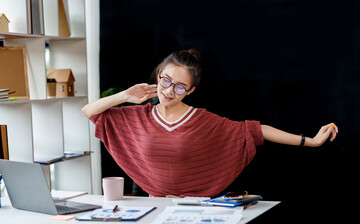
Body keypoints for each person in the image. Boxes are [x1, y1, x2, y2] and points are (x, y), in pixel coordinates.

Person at [82, 48, 338, 198]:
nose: (169, 91)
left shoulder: (202, 120)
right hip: (151, 209)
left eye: (180, 87)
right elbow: (89, 111)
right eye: (166, 80)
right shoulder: (138, 117)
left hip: (195, 212)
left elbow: (256, 130)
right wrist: (125, 96)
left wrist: (311, 141)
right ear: (158, 76)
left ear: (191, 91)